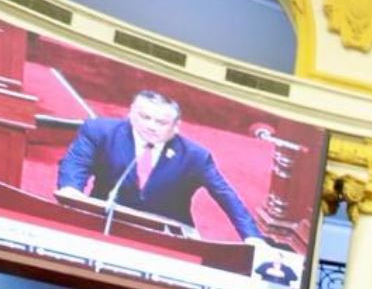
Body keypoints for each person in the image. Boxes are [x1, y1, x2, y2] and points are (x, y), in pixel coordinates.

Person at [56, 90, 264, 243]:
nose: (151, 126)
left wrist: (253, 239)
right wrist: (70, 189)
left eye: (161, 122)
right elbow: (76, 163)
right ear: (130, 114)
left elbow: (226, 195)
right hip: (103, 222)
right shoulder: (100, 131)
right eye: (144, 117)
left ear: (176, 128)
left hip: (165, 235)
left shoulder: (195, 156)